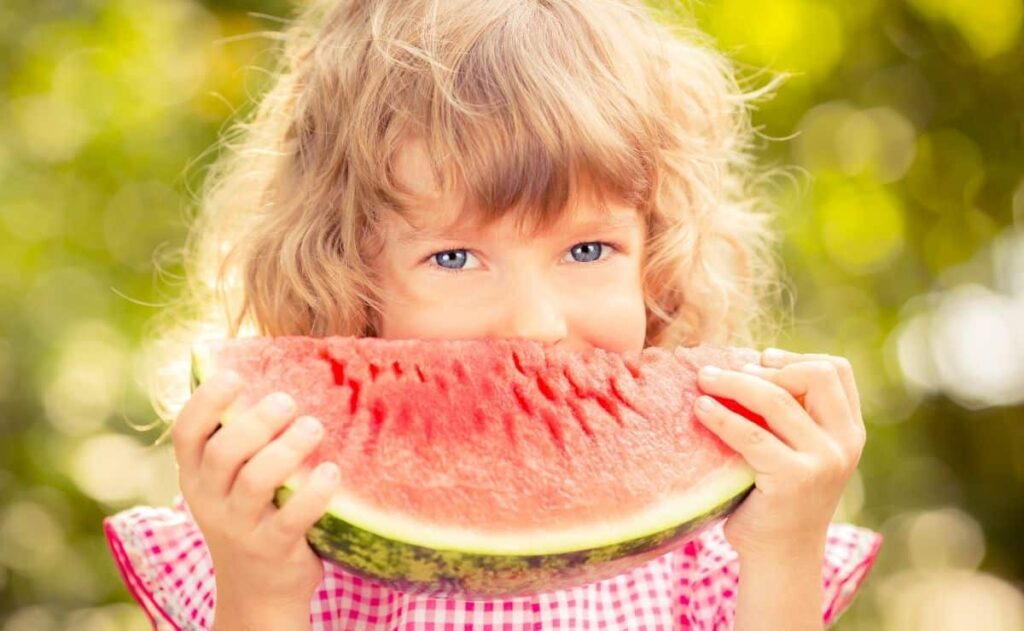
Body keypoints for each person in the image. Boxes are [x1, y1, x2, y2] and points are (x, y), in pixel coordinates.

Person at [104, 0, 882, 629]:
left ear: (658, 255)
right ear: (346, 270)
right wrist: (263, 591)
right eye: (454, 258)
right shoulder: (269, 524)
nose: (533, 326)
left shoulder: (715, 550)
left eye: (587, 251)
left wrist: (784, 550)